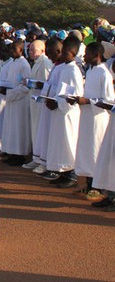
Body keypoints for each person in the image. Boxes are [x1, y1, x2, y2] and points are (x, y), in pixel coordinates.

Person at [73, 42, 114, 200]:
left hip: (98, 119)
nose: (84, 56)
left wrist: (88, 101)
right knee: (87, 150)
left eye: (87, 53)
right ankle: (88, 184)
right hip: (87, 117)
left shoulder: (104, 73)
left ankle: (98, 187)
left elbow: (109, 100)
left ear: (97, 55)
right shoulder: (90, 71)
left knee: (96, 151)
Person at [43, 36, 84, 188]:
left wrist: (58, 102)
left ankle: (71, 173)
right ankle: (63, 172)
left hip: (68, 114)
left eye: (66, 52)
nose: (63, 54)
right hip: (59, 111)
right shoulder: (64, 68)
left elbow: (74, 95)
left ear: (73, 53)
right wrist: (52, 99)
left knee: (68, 142)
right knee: (59, 142)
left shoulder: (74, 70)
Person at [0, 40, 31, 166]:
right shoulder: (13, 63)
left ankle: (20, 155)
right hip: (11, 100)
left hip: (20, 102)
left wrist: (11, 93)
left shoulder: (24, 65)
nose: (12, 51)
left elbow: (25, 86)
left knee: (19, 129)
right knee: (11, 128)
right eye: (11, 49)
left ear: (21, 50)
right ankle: (12, 152)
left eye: (14, 49)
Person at [22, 40, 53, 169]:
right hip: (34, 101)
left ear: (42, 51)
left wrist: (33, 84)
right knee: (35, 130)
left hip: (41, 103)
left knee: (40, 131)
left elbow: (46, 84)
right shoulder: (36, 63)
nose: (30, 52)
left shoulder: (44, 63)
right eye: (29, 50)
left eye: (33, 50)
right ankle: (36, 157)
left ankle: (42, 161)